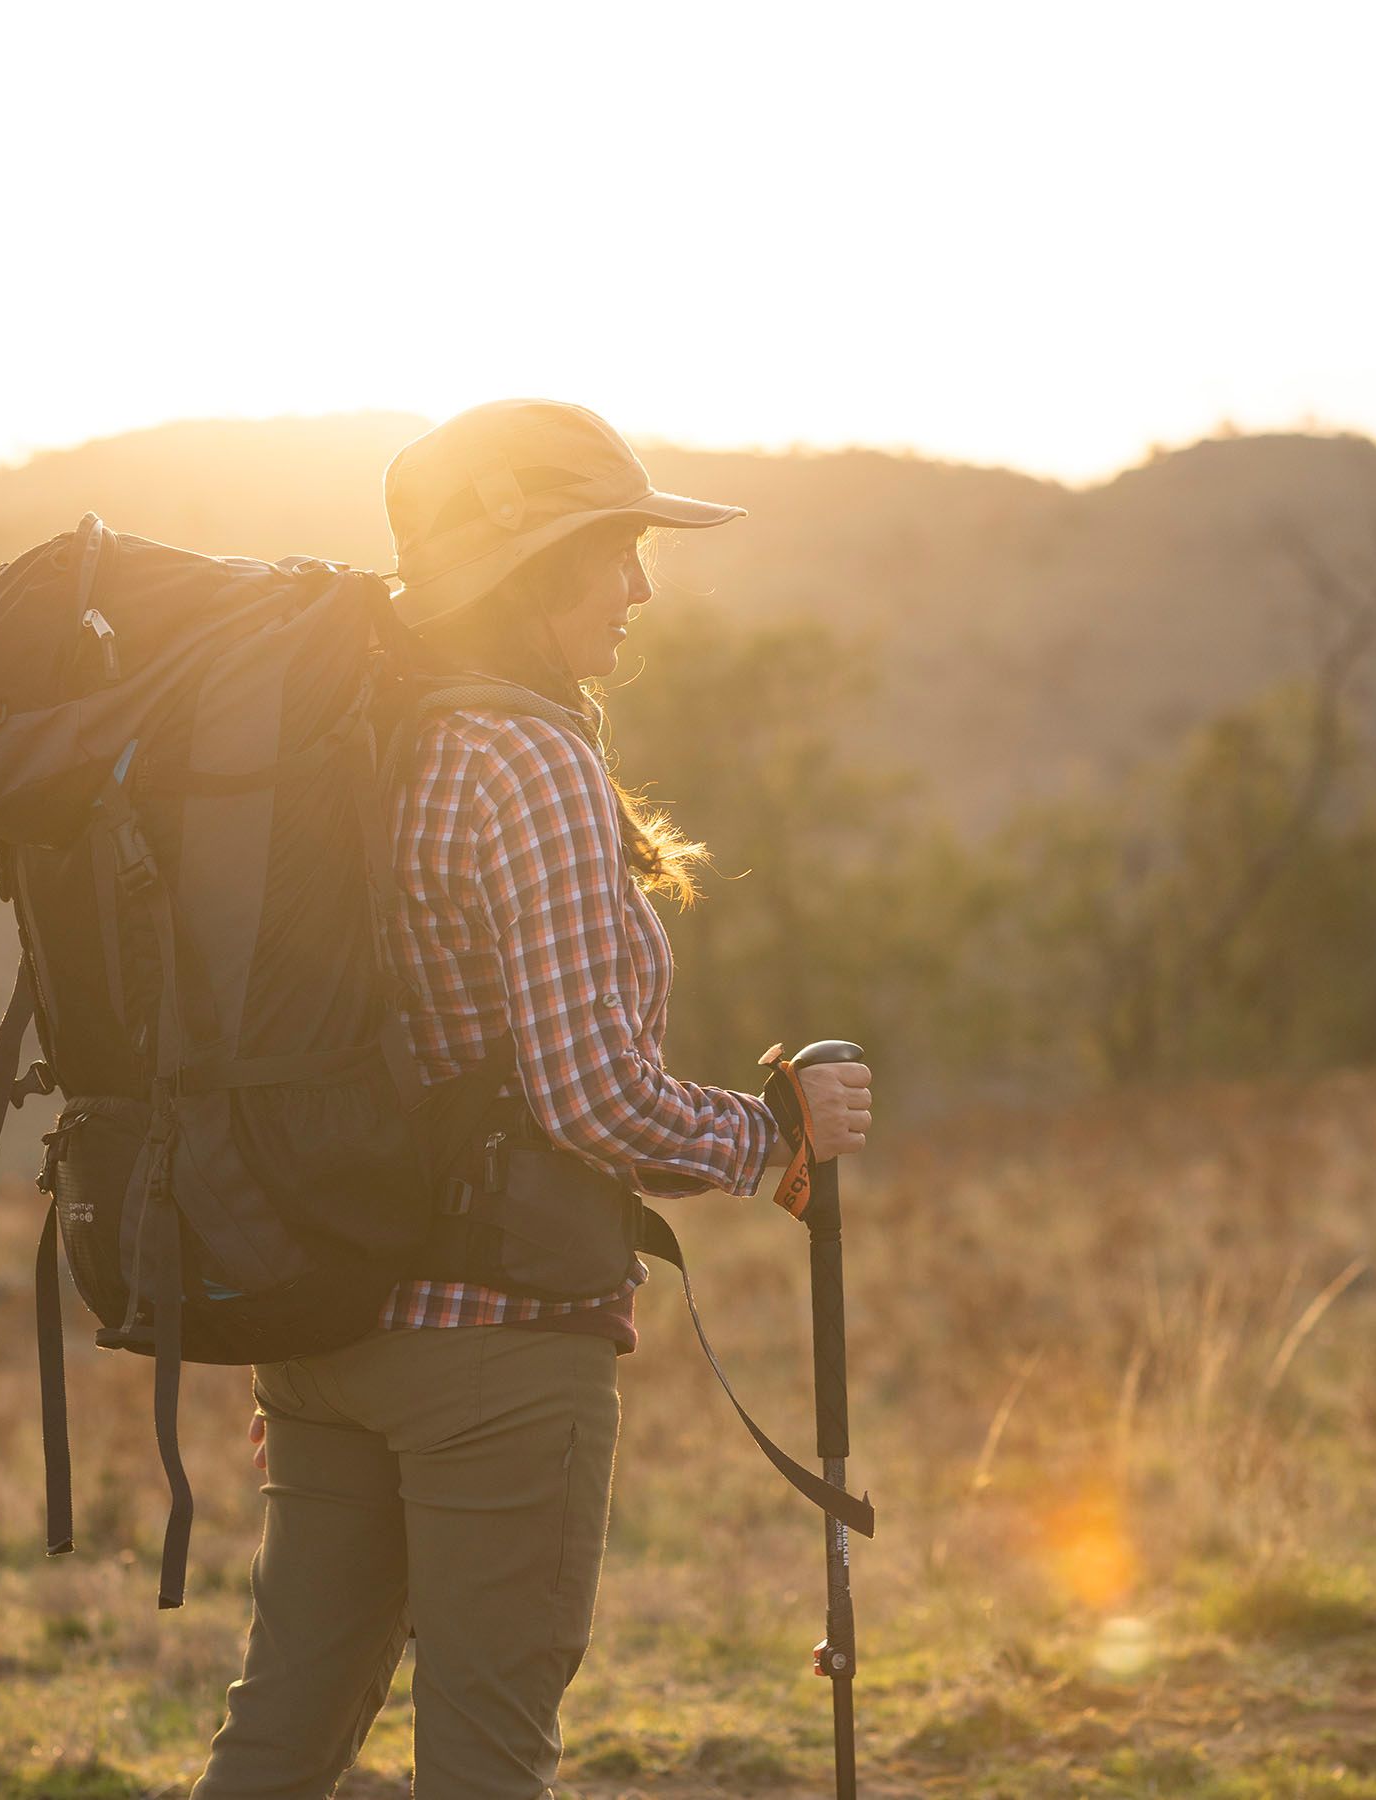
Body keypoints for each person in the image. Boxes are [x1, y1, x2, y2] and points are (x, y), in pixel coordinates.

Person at [188, 399, 875, 1799]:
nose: (638, 583)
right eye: (610, 547)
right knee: (490, 1759)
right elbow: (593, 1098)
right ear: (523, 566)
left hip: (326, 1327)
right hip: (496, 1352)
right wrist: (775, 1134)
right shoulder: (529, 760)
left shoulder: (363, 742)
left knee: (276, 1744)